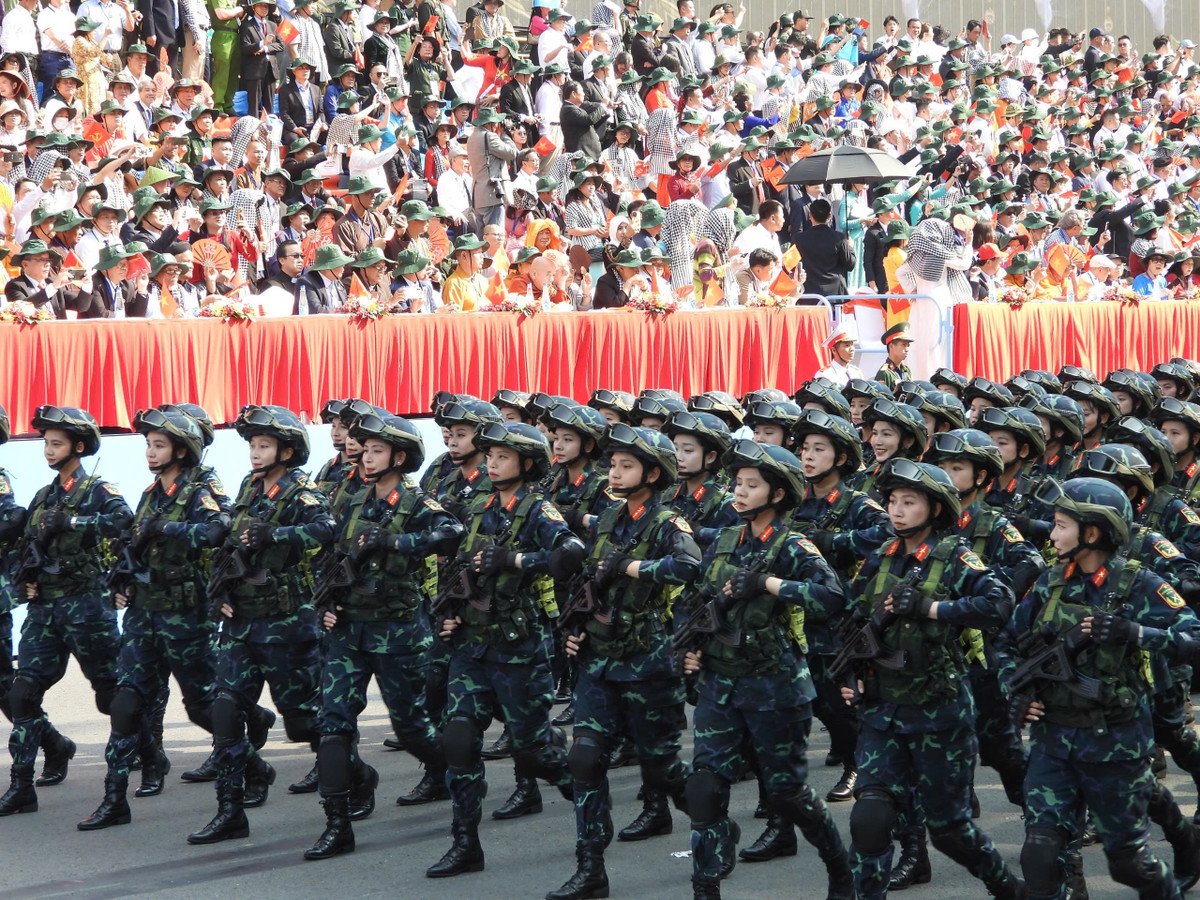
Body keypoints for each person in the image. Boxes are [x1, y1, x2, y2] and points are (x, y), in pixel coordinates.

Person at [1001, 477, 1199, 898]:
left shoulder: (1141, 584)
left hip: (1116, 744)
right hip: (1052, 741)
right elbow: (1006, 643)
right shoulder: (1050, 583)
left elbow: (1194, 639)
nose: (1051, 534)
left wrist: (1136, 632)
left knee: (1129, 865)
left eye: (1060, 525)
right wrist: (1016, 689)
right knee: (1039, 855)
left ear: (1092, 532)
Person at [841, 460, 1024, 899]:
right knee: (870, 819)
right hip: (882, 711)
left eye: (909, 502)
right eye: (891, 501)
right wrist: (851, 673)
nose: (896, 511)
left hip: (938, 713)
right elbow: (849, 621)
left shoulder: (956, 556)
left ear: (935, 508)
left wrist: (933, 609)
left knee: (949, 829)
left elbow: (999, 602)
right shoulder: (881, 556)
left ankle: (1009, 889)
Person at [682, 438, 854, 900]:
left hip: (774, 687)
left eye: (751, 485)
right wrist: (689, 649)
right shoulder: (721, 540)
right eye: (737, 483)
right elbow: (692, 602)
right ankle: (706, 886)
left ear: (777, 494)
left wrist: (771, 584)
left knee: (787, 793)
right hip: (720, 683)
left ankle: (840, 865)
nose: (738, 492)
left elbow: (833, 597)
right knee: (704, 787)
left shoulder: (792, 544)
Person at [550, 424, 699, 899]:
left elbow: (687, 565)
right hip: (599, 658)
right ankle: (590, 867)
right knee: (586, 758)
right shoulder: (609, 519)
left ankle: (710, 826)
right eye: (612, 464)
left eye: (626, 465)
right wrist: (574, 627)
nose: (614, 472)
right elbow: (590, 583)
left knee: (661, 768)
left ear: (653, 473)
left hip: (648, 660)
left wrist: (633, 567)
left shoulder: (668, 523)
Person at [304, 413, 462, 860]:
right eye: (364, 449)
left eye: (375, 450)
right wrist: (328, 602)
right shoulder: (351, 500)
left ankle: (445, 769)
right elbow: (330, 556)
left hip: (398, 634)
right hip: (348, 632)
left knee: (411, 727)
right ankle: (337, 822)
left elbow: (451, 533)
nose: (366, 457)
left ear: (399, 456)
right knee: (332, 724)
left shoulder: (415, 501)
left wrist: (395, 543)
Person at [427, 422, 580, 878]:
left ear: (527, 464)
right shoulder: (475, 506)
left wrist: (515, 560)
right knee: (458, 740)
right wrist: (448, 612)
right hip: (472, 646)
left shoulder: (539, 510)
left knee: (533, 750)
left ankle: (587, 794)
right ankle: (465, 843)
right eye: (489, 456)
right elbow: (455, 564)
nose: (492, 463)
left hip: (519, 648)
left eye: (502, 457)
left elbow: (569, 554)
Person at [77, 409, 230, 830]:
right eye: (148, 444)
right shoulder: (150, 494)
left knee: (203, 706)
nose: (149, 451)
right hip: (144, 614)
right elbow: (135, 545)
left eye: (159, 445)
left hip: (185, 615)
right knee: (125, 702)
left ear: (181, 450)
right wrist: (121, 579)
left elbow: (217, 531)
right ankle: (114, 800)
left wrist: (167, 529)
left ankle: (249, 768)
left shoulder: (197, 491)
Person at [187, 405, 334, 844]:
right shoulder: (249, 488)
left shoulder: (302, 493)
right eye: (252, 444)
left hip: (287, 625)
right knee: (226, 710)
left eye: (264, 445)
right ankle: (230, 810)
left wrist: (279, 535)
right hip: (241, 625)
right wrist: (221, 592)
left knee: (305, 723)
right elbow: (231, 543)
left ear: (287, 451)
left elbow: (327, 529)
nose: (255, 452)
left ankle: (357, 778)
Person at [0, 406, 132, 816]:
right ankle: (22, 787)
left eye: (56, 443)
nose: (47, 450)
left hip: (87, 607)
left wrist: (72, 523)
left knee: (112, 696)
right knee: (22, 694)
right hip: (46, 610)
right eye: (45, 443)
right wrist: (28, 576)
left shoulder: (97, 489)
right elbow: (25, 544)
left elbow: (122, 522)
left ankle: (146, 756)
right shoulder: (44, 495)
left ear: (78, 446)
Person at [793, 198, 853, 297]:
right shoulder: (839, 237)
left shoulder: (799, 239)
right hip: (834, 292)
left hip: (809, 292)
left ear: (810, 215)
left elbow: (793, 264)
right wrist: (850, 247)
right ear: (829, 216)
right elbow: (850, 264)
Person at [814, 321, 864, 387]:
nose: (852, 349)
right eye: (847, 345)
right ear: (834, 350)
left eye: (852, 345)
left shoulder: (856, 372)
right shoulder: (824, 375)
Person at [874, 322, 914, 392]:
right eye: (903, 345)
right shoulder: (885, 373)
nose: (907, 349)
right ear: (891, 346)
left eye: (908, 346)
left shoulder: (906, 371)